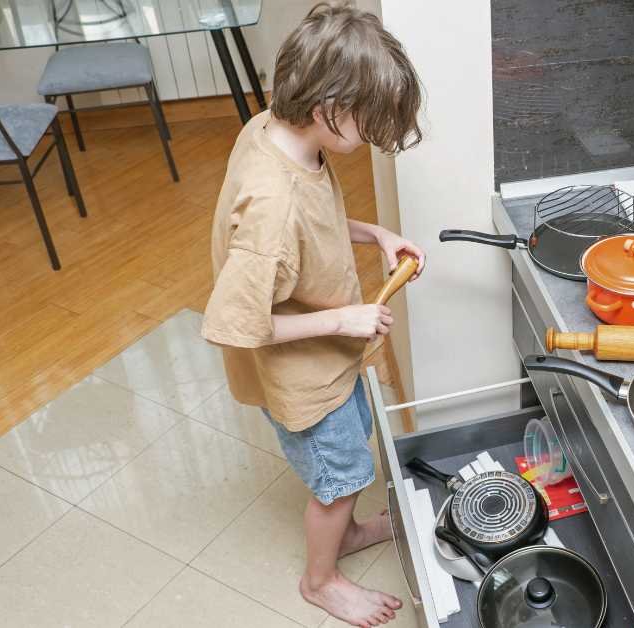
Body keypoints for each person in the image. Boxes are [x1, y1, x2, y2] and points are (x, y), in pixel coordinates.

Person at [201, 3, 423, 626]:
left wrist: (372, 233)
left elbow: (313, 223)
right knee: (341, 474)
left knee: (352, 454)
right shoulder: (270, 206)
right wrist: (341, 321)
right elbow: (235, 323)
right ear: (328, 109)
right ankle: (320, 580)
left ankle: (346, 533)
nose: (372, 135)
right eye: (368, 121)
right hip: (302, 370)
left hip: (330, 360)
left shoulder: (273, 128)